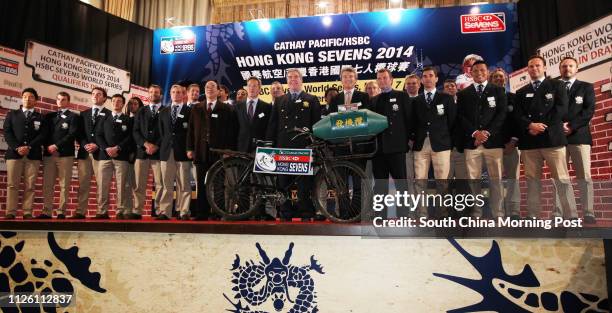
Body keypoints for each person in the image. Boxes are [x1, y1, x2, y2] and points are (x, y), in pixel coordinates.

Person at [514, 55, 577, 219]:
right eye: (531, 66)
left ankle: (571, 216)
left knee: (561, 179)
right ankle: (533, 215)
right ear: (527, 70)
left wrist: (541, 126)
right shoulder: (521, 92)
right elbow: (518, 115)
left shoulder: (557, 85)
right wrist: (530, 125)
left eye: (537, 66)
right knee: (532, 181)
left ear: (544, 68)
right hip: (530, 141)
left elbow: (561, 109)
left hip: (552, 139)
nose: (534, 69)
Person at [266, 68, 321, 222]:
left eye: (296, 77)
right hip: (283, 147)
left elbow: (316, 124)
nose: (293, 80)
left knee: (304, 183)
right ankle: (285, 212)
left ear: (301, 80)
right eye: (289, 77)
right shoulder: (279, 100)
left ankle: (305, 213)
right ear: (287, 81)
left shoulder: (311, 99)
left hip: (303, 147)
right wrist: (269, 144)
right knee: (283, 182)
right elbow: (273, 124)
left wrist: (314, 144)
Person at [456, 60, 507, 219]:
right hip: (472, 144)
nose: (479, 73)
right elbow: (461, 117)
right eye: (475, 70)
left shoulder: (498, 91)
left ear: (487, 72)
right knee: (474, 180)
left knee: (496, 180)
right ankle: (476, 213)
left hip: (494, 142)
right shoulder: (463, 94)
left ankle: (498, 213)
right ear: (470, 73)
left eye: (482, 70)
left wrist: (486, 133)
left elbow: (501, 114)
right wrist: (474, 134)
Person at [187, 80, 238, 220]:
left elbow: (232, 132)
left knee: (218, 184)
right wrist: (189, 148)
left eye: (213, 87)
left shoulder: (227, 109)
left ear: (218, 91)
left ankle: (217, 212)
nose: (210, 89)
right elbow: (190, 131)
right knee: (201, 184)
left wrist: (229, 150)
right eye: (207, 87)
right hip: (200, 151)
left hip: (219, 153)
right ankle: (202, 213)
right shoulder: (196, 108)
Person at [554, 56, 596, 224]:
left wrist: (571, 126)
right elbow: (549, 111)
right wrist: (559, 126)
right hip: (558, 138)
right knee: (560, 177)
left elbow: (589, 111)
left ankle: (588, 212)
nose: (567, 68)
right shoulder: (554, 88)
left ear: (576, 69)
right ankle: (560, 212)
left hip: (580, 137)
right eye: (564, 66)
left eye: (571, 66)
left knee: (584, 176)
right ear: (560, 70)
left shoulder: (586, 87)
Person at [412, 66, 456, 218]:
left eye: (431, 75)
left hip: (441, 145)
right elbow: (413, 123)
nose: (428, 78)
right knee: (420, 181)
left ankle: (442, 214)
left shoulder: (446, 98)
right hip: (420, 145)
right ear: (422, 80)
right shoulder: (416, 100)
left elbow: (452, 122)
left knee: (442, 181)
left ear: (436, 79)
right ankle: (422, 214)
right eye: (425, 76)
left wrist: (444, 138)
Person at [370, 69, 412, 217]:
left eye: (384, 78)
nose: (382, 81)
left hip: (397, 148)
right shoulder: (374, 100)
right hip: (379, 150)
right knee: (380, 185)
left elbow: (409, 121)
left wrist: (406, 141)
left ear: (391, 79)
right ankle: (380, 215)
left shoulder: (402, 96)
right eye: (379, 79)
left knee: (401, 184)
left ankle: (403, 215)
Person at [3, 88, 45, 219]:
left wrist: (29, 147)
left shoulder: (41, 117)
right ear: (22, 98)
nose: (28, 99)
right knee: (12, 184)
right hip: (14, 155)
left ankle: (27, 212)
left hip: (33, 156)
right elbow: (7, 133)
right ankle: (11, 212)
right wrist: (17, 147)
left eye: (31, 97)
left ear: (36, 100)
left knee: (30, 185)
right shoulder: (12, 114)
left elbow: (43, 135)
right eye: (25, 96)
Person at [235, 77, 273, 220]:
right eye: (249, 86)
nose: (252, 88)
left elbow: (269, 128)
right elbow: (234, 128)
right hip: (242, 148)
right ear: (246, 88)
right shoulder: (237, 106)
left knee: (260, 181)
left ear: (259, 89)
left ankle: (260, 211)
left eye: (255, 86)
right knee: (242, 181)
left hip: (260, 149)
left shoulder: (266, 107)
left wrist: (267, 145)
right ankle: (243, 210)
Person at [40, 91, 78, 219]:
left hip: (65, 155)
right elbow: (43, 134)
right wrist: (49, 147)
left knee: (64, 185)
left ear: (68, 102)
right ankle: (46, 211)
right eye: (58, 99)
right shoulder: (49, 116)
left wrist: (56, 146)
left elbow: (71, 134)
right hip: (49, 154)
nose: (60, 102)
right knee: (48, 184)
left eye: (63, 100)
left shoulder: (73, 117)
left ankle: (61, 211)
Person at [96, 94, 134, 219]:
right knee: (102, 185)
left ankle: (120, 211)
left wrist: (117, 148)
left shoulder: (128, 120)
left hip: (121, 156)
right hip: (104, 156)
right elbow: (98, 136)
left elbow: (130, 137)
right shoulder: (103, 118)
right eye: (114, 101)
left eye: (119, 101)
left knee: (121, 185)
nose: (116, 103)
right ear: (111, 103)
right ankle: (102, 211)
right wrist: (106, 148)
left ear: (123, 104)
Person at [490, 68, 521, 219]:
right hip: (492, 146)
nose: (498, 79)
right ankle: (498, 212)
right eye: (495, 77)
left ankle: (514, 211)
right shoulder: (486, 99)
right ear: (491, 80)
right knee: (495, 180)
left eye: (501, 77)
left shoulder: (514, 98)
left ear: (506, 79)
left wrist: (514, 141)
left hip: (511, 145)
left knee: (513, 179)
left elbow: (518, 120)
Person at [76, 87, 111, 219]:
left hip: (101, 154)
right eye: (93, 94)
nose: (95, 96)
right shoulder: (83, 114)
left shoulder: (109, 114)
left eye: (99, 94)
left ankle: (102, 211)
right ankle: (80, 211)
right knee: (83, 184)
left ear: (104, 98)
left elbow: (109, 135)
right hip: (84, 154)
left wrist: (97, 145)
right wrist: (85, 144)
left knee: (102, 185)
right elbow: (79, 133)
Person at [158, 85, 192, 220]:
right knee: (166, 184)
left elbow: (191, 133)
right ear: (170, 94)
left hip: (183, 152)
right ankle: (165, 212)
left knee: (184, 183)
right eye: (173, 92)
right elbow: (162, 133)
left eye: (179, 92)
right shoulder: (163, 112)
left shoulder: (190, 111)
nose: (176, 94)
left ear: (183, 95)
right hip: (166, 152)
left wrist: (190, 149)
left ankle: (183, 211)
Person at [132, 85, 164, 220]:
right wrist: (145, 144)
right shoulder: (141, 111)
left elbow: (167, 132)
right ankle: (137, 210)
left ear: (161, 95)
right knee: (139, 184)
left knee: (160, 184)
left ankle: (160, 211)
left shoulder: (166, 110)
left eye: (156, 92)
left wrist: (156, 145)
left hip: (159, 153)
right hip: (142, 152)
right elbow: (135, 131)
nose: (153, 94)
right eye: (150, 92)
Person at [122, 96, 143, 218]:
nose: (133, 106)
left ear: (140, 106)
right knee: (126, 184)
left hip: (137, 155)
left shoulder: (141, 119)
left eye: (135, 104)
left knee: (136, 184)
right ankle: (127, 210)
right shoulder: (125, 119)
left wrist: (134, 153)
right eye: (130, 104)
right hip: (124, 155)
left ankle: (136, 210)